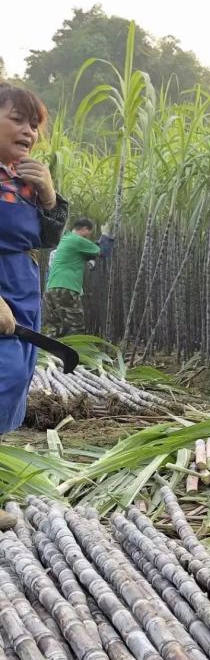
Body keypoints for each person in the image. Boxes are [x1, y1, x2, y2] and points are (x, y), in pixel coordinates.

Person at [0, 82, 68, 528]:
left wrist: (48, 197)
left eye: (34, 124)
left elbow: (46, 241)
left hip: (21, 288)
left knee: (14, 378)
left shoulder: (21, 178)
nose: (29, 131)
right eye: (18, 119)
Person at [43, 218, 114, 336]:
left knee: (55, 329)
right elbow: (103, 252)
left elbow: (90, 252)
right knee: (76, 328)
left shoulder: (66, 239)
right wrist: (106, 234)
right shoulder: (77, 240)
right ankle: (76, 354)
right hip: (66, 288)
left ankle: (50, 354)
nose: (88, 237)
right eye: (89, 233)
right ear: (85, 229)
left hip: (51, 289)